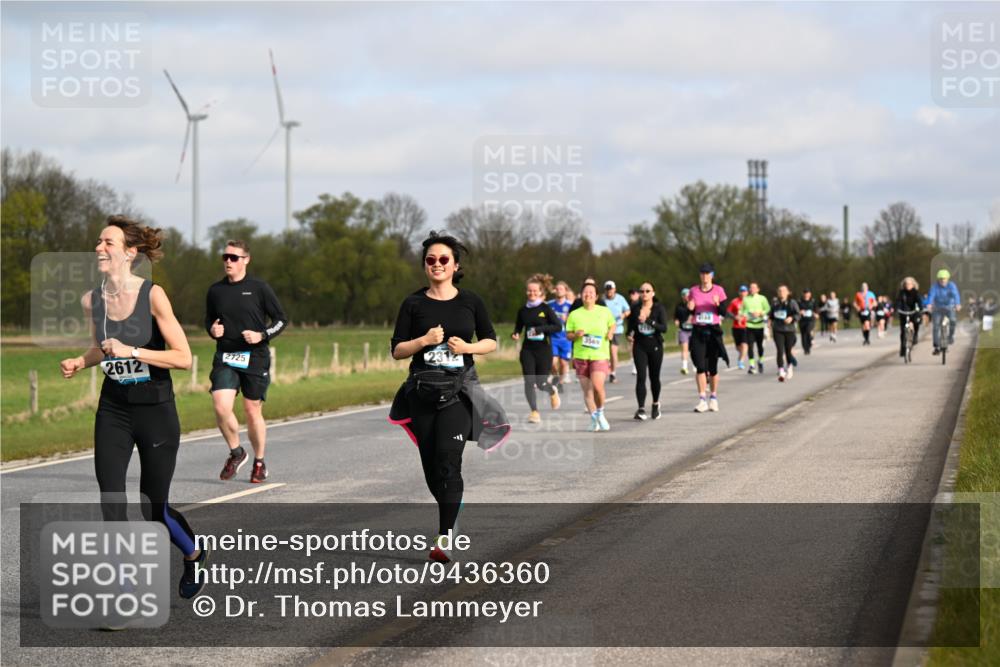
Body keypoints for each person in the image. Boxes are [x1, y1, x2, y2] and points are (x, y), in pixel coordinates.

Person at [59, 216, 207, 600]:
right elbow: (102, 348)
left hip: (155, 410)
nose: (98, 248)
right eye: (98, 242)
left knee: (152, 510)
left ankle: (193, 553)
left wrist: (134, 351)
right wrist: (81, 360)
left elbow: (183, 357)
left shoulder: (152, 296)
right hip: (115, 408)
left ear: (130, 251)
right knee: (111, 499)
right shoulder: (92, 299)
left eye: (107, 242)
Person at [387, 231, 509, 563]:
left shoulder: (470, 302)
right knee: (431, 468)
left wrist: (468, 347)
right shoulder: (413, 303)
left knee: (447, 459)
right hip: (422, 393)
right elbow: (397, 350)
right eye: (431, 260)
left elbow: (491, 341)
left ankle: (444, 538)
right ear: (425, 266)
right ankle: (452, 508)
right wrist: (424, 341)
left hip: (459, 392)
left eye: (444, 259)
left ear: (455, 265)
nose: (437, 264)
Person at [207, 240, 287, 483]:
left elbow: (281, 320)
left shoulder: (259, 287)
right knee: (221, 406)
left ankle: (259, 462)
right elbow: (209, 320)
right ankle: (236, 452)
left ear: (246, 260)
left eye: (234, 257)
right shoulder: (215, 290)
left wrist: (261, 335)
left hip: (255, 357)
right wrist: (212, 330)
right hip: (226, 356)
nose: (228, 262)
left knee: (252, 411)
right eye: (225, 257)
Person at [565, 282, 617, 431]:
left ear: (596, 295)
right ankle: (594, 418)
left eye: (591, 292)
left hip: (599, 354)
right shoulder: (574, 314)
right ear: (581, 295)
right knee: (587, 391)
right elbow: (568, 335)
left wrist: (611, 332)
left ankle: (600, 412)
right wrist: (575, 335)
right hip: (581, 356)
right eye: (585, 292)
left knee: (597, 386)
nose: (588, 294)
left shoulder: (604, 311)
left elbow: (612, 324)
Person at [512, 274, 562, 423]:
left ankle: (552, 391)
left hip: (543, 350)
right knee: (529, 381)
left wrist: (541, 329)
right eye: (529, 291)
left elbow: (558, 326)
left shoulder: (545, 309)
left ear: (540, 292)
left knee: (541, 384)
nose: (531, 293)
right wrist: (515, 334)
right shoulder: (522, 310)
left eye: (535, 291)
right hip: (528, 349)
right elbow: (518, 328)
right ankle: (534, 412)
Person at [687, 263, 729, 412]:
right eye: (702, 273)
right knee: (700, 366)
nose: (705, 276)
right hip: (698, 330)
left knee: (713, 368)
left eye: (707, 273)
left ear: (712, 275)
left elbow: (724, 312)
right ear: (700, 275)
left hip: (713, 331)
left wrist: (718, 304)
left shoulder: (719, 290)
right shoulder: (693, 291)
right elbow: (690, 311)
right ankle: (702, 399)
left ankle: (713, 397)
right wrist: (690, 308)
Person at [626, 281, 668, 420]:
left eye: (647, 291)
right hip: (639, 345)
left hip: (655, 345)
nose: (644, 293)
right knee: (641, 376)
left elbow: (664, 328)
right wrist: (629, 335)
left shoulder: (659, 308)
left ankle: (655, 404)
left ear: (653, 293)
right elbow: (631, 326)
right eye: (642, 291)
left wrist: (648, 321)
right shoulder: (635, 308)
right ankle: (641, 409)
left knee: (654, 377)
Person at [602, 280, 631, 383]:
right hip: (604, 329)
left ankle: (613, 373)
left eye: (611, 289)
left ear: (614, 289)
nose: (609, 292)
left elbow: (628, 310)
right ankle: (606, 369)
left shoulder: (620, 298)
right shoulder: (602, 300)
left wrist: (623, 315)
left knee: (613, 351)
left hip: (617, 328)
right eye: (607, 290)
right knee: (605, 353)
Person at [927, 269, 962, 354]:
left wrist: (957, 304)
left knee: (953, 320)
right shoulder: (935, 286)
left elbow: (956, 295)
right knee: (936, 326)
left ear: (947, 279)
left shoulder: (951, 286)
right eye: (941, 279)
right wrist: (929, 304)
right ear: (938, 279)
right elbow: (931, 295)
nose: (943, 280)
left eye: (944, 278)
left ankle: (950, 337)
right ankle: (936, 346)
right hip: (938, 308)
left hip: (949, 307)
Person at [771, 285, 801, 381]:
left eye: (784, 291)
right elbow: (771, 315)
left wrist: (791, 318)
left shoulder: (792, 303)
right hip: (777, 330)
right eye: (780, 291)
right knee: (780, 350)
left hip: (789, 330)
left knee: (788, 350)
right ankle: (781, 370)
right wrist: (769, 321)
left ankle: (789, 367)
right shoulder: (775, 303)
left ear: (788, 292)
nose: (781, 292)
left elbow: (798, 314)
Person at [547, 281, 573, 391]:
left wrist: (568, 319)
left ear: (566, 291)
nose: (559, 291)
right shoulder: (550, 305)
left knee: (563, 363)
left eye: (561, 289)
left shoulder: (570, 306)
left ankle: (561, 382)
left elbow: (576, 321)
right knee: (553, 362)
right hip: (553, 338)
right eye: (557, 289)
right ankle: (556, 377)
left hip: (566, 338)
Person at [740, 282, 770, 374]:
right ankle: (752, 365)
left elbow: (768, 309)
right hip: (749, 325)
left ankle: (760, 361)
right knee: (750, 346)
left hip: (760, 325)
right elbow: (742, 311)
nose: (752, 289)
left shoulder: (762, 298)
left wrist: (761, 313)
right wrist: (747, 314)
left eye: (754, 288)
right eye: (751, 288)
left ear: (758, 289)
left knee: (760, 346)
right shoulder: (746, 299)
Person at [896, 276, 923, 358]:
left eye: (909, 284)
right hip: (903, 312)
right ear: (904, 285)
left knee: (916, 322)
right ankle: (903, 348)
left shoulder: (915, 293)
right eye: (906, 284)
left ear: (913, 284)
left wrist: (919, 309)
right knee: (903, 331)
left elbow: (919, 302)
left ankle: (915, 336)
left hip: (913, 312)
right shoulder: (901, 293)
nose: (908, 285)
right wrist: (897, 308)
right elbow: (898, 301)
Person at [727, 284, 749, 369]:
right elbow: (728, 312)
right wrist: (734, 317)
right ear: (739, 292)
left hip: (746, 326)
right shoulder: (734, 301)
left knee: (744, 345)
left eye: (744, 291)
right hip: (736, 327)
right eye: (741, 291)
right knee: (738, 346)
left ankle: (741, 361)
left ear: (747, 292)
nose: (743, 293)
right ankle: (742, 355)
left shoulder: (750, 302)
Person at [674, 288, 694, 375]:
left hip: (693, 330)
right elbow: (675, 316)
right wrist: (676, 321)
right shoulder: (679, 306)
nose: (686, 297)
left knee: (694, 349)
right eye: (685, 295)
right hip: (683, 330)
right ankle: (684, 367)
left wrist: (692, 318)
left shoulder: (694, 305)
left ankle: (695, 365)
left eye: (688, 295)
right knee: (684, 348)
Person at [798, 288, 817, 355]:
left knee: (808, 331)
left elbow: (816, 310)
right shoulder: (799, 301)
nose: (806, 294)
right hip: (802, 320)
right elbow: (796, 310)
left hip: (811, 320)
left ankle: (810, 342)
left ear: (810, 294)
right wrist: (800, 312)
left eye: (808, 293)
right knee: (803, 335)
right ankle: (805, 349)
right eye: (805, 293)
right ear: (803, 294)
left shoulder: (813, 301)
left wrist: (816, 314)